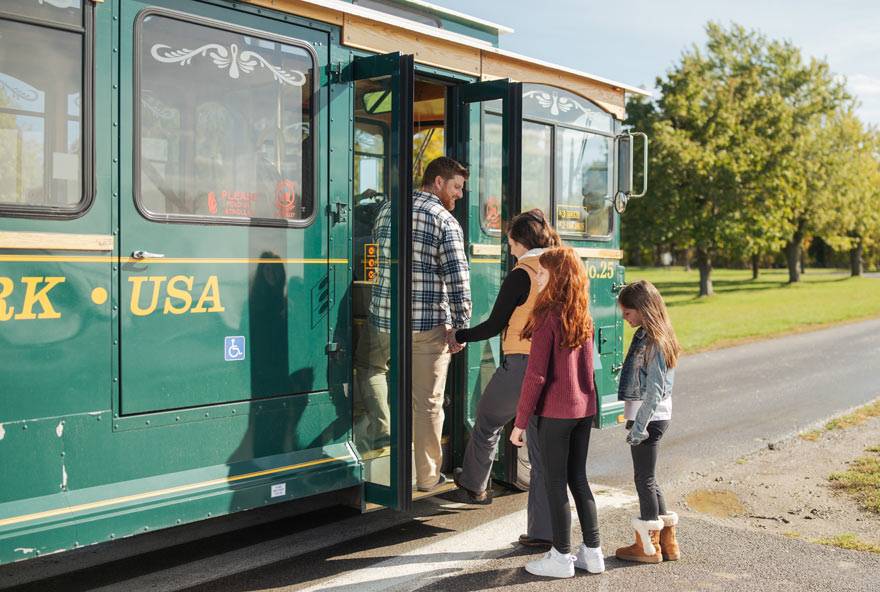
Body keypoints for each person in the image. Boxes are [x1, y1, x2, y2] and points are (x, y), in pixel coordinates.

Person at [367, 156, 472, 492]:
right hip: (426, 327)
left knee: (370, 368)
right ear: (438, 182)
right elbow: (458, 280)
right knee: (426, 403)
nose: (458, 196)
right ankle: (426, 476)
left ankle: (382, 433)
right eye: (456, 187)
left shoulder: (388, 209)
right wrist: (460, 327)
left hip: (384, 320)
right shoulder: (444, 220)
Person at [450, 210, 560, 520]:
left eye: (510, 243)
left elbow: (495, 324)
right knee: (539, 442)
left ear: (521, 241)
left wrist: (459, 335)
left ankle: (474, 486)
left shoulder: (522, 273)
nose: (510, 249)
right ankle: (547, 523)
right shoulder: (561, 268)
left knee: (488, 419)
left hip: (523, 364)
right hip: (555, 365)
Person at [509, 247, 604, 579]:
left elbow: (535, 376)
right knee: (579, 479)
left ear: (557, 277)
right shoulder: (583, 316)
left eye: (543, 272)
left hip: (556, 415)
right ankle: (592, 552)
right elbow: (592, 370)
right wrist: (594, 410)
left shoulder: (548, 317)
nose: (537, 276)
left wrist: (520, 423)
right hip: (582, 411)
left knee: (554, 482)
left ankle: (561, 557)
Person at [614, 280, 682, 563]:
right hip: (652, 417)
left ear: (642, 309)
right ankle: (668, 543)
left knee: (643, 479)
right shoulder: (650, 334)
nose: (624, 318)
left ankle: (647, 546)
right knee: (650, 479)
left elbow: (654, 390)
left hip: (648, 418)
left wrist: (638, 427)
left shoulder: (653, 340)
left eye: (628, 313)